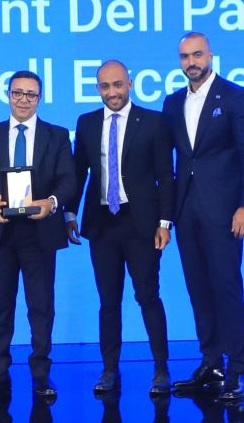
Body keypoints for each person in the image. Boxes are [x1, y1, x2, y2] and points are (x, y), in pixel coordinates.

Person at [65, 60, 174, 396]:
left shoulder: (154, 121)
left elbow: (165, 175)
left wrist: (165, 222)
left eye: (117, 84)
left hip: (142, 225)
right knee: (108, 302)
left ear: (129, 83)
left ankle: (161, 369)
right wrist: (69, 213)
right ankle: (109, 369)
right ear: (98, 89)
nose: (111, 92)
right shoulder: (86, 123)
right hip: (102, 226)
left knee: (148, 297)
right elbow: (78, 172)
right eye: (105, 86)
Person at [0, 70, 75, 400]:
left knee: (41, 308)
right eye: (18, 93)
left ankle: (41, 376)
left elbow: (68, 180)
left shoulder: (57, 136)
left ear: (39, 98)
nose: (23, 99)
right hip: (1, 233)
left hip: (41, 233)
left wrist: (51, 203)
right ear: (8, 95)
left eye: (31, 94)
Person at [163, 32, 244, 401]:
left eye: (197, 55)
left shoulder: (234, 97)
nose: (191, 62)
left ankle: (238, 369)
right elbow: (170, 160)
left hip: (225, 212)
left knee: (227, 288)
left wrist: (243, 205)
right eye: (185, 56)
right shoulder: (172, 102)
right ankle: (211, 364)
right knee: (198, 289)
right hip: (186, 211)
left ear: (210, 55)